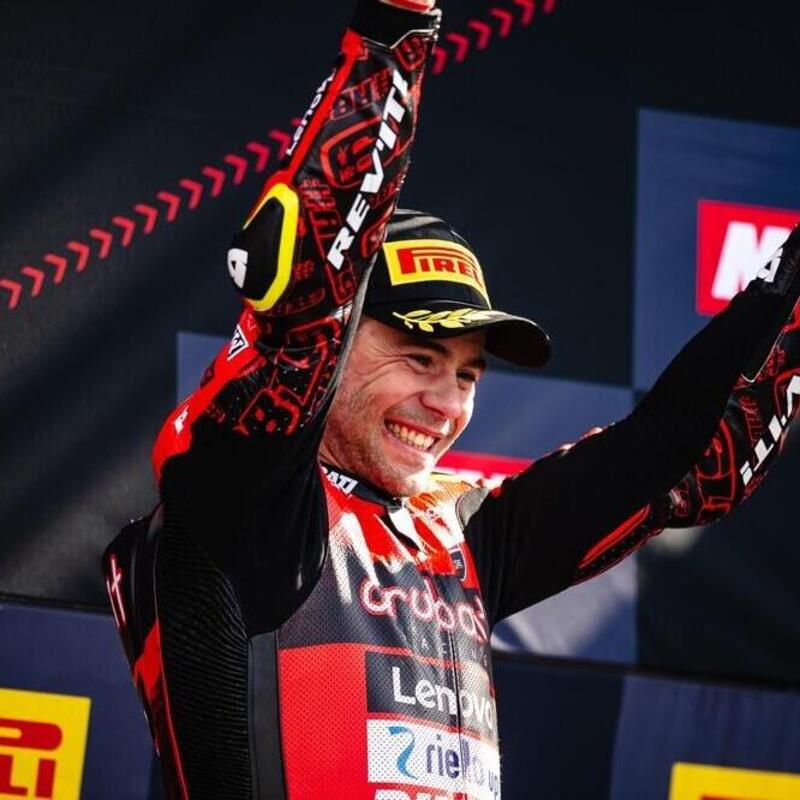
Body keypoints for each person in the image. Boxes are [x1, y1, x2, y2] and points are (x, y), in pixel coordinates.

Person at [103, 0, 800, 797]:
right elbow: (307, 299)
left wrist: (784, 291)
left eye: (467, 375)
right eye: (419, 356)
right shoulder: (243, 499)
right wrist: (397, 30)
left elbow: (692, 455)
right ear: (337, 343)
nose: (445, 402)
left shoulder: (463, 535)